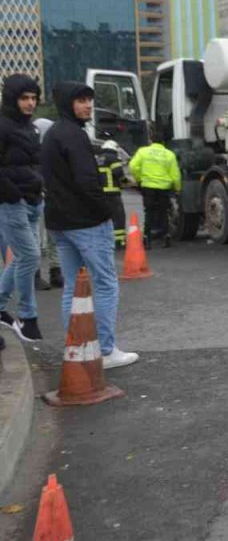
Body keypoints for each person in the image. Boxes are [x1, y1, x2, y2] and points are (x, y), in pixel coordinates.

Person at [41, 82, 136, 368]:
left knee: (72, 285)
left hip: (59, 221)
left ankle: (76, 346)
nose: (88, 106)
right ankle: (106, 350)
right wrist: (105, 211)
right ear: (68, 103)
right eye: (81, 100)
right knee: (105, 283)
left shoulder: (52, 135)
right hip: (87, 222)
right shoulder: (75, 135)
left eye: (89, 100)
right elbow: (87, 181)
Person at [0, 75, 46, 343]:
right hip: (12, 202)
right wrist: (13, 194)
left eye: (33, 98)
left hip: (32, 200)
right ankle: (28, 317)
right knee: (30, 256)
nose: (30, 103)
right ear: (12, 99)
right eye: (24, 98)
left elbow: (36, 161)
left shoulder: (31, 128)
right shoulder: (3, 126)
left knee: (20, 258)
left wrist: (39, 188)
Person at [129, 129, 180, 248]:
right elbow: (175, 174)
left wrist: (139, 178)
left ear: (151, 140)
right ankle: (166, 237)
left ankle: (147, 239)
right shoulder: (169, 154)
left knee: (149, 212)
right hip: (164, 187)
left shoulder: (143, 152)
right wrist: (177, 188)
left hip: (148, 186)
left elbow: (133, 166)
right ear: (163, 142)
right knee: (164, 212)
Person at [33, 117, 61, 290]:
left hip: (50, 198)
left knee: (52, 236)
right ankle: (36, 275)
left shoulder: (51, 153)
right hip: (36, 199)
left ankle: (55, 273)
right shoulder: (33, 154)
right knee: (36, 237)